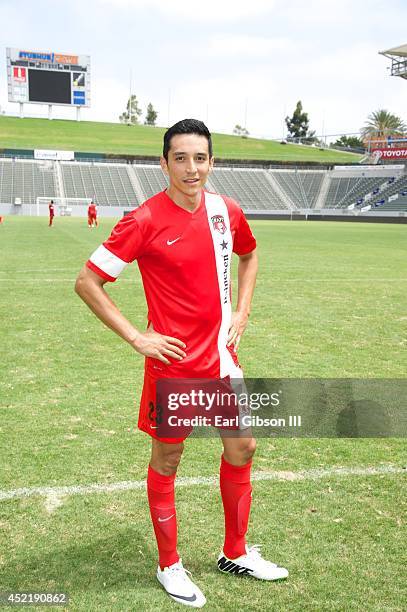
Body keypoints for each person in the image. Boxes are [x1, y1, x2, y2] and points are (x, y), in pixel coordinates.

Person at [75, 119, 288, 608]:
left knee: (243, 448)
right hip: (173, 367)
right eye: (181, 158)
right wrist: (136, 336)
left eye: (200, 158)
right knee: (168, 460)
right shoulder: (145, 219)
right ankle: (169, 564)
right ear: (164, 162)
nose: (191, 168)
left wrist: (243, 310)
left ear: (211, 162)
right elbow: (88, 281)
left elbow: (251, 257)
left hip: (221, 358)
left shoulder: (226, 211)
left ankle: (234, 552)